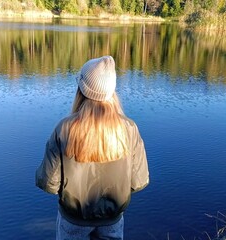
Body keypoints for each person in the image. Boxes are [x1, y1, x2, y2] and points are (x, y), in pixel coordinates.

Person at [35, 55, 149, 240]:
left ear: (81, 90)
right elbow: (139, 181)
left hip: (73, 221)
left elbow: (48, 182)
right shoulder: (129, 129)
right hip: (112, 220)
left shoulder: (64, 129)